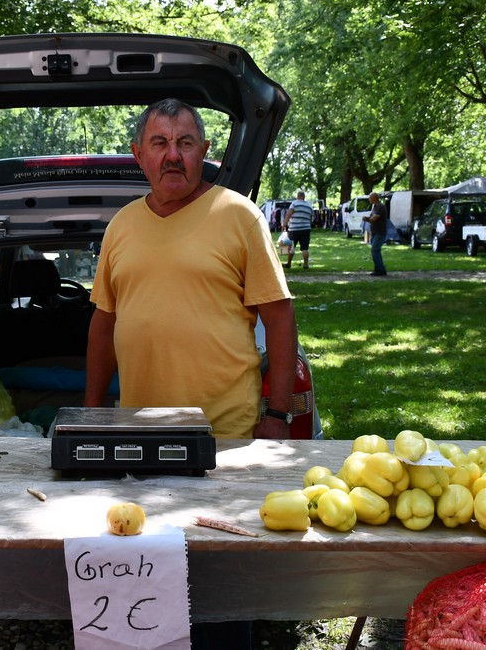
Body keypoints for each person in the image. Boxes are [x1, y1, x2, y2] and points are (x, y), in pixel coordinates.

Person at [84, 96, 298, 650]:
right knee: (143, 576)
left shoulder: (239, 215)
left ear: (204, 151)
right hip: (139, 440)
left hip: (225, 438)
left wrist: (277, 413)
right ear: (139, 154)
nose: (172, 155)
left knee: (220, 584)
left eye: (184, 143)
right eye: (159, 143)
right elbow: (103, 325)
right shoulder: (121, 226)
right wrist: (91, 414)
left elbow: (279, 317)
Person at [281, 190, 314, 269]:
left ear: (298, 196)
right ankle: (305, 264)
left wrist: (284, 225)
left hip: (294, 229)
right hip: (306, 229)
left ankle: (289, 264)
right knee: (305, 248)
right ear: (304, 197)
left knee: (291, 247)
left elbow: (288, 215)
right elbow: (311, 219)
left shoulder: (294, 204)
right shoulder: (309, 206)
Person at [367, 192, 388, 276]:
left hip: (380, 232)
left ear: (374, 198)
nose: (369, 199)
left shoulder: (380, 207)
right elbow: (371, 217)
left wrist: (366, 219)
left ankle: (380, 269)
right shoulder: (374, 207)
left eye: (370, 197)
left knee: (375, 249)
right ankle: (378, 269)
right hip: (375, 232)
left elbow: (374, 219)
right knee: (375, 251)